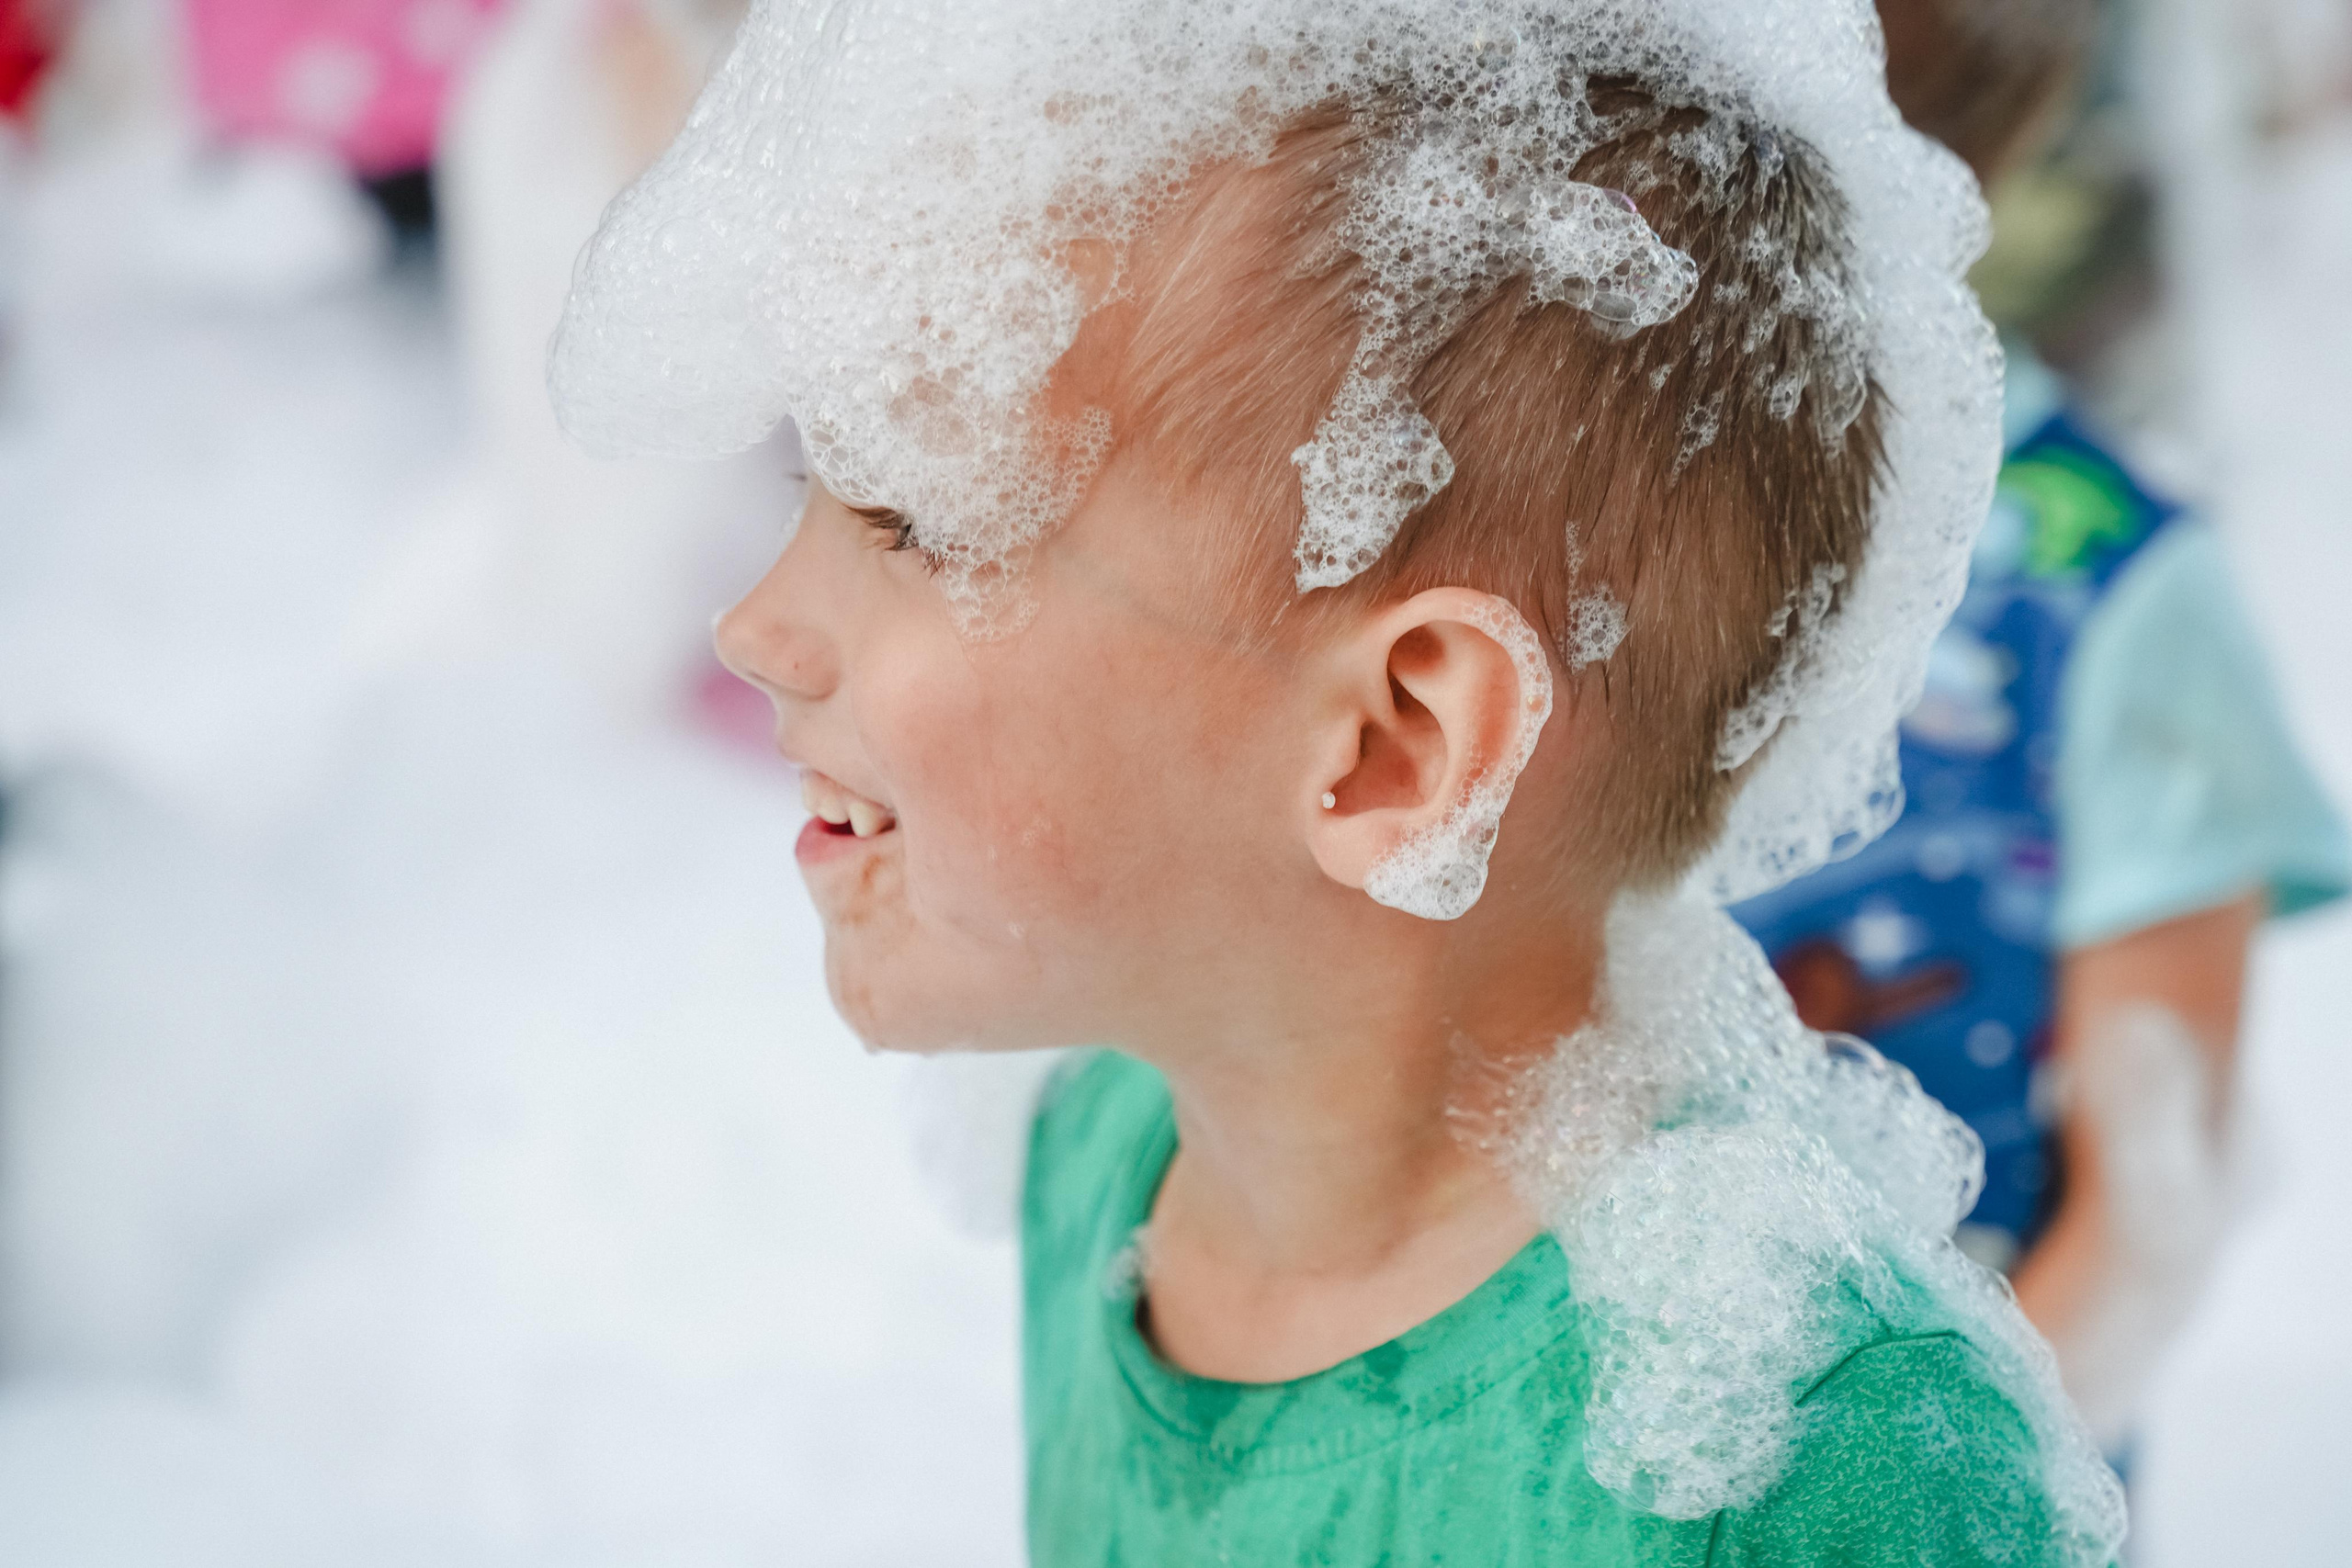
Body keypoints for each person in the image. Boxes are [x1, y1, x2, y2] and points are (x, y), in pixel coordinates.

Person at [560, 2, 2120, 1562]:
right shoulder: (1104, 1148)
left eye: (917, 520)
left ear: (1394, 747)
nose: (756, 629)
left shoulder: (1799, 1452)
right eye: (805, 480)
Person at [1733, 0, 2351, 1448]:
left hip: (1976, 1446)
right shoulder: (1584, 502)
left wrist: (1933, 1512)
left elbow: (2155, 1199)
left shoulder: (2107, 577)